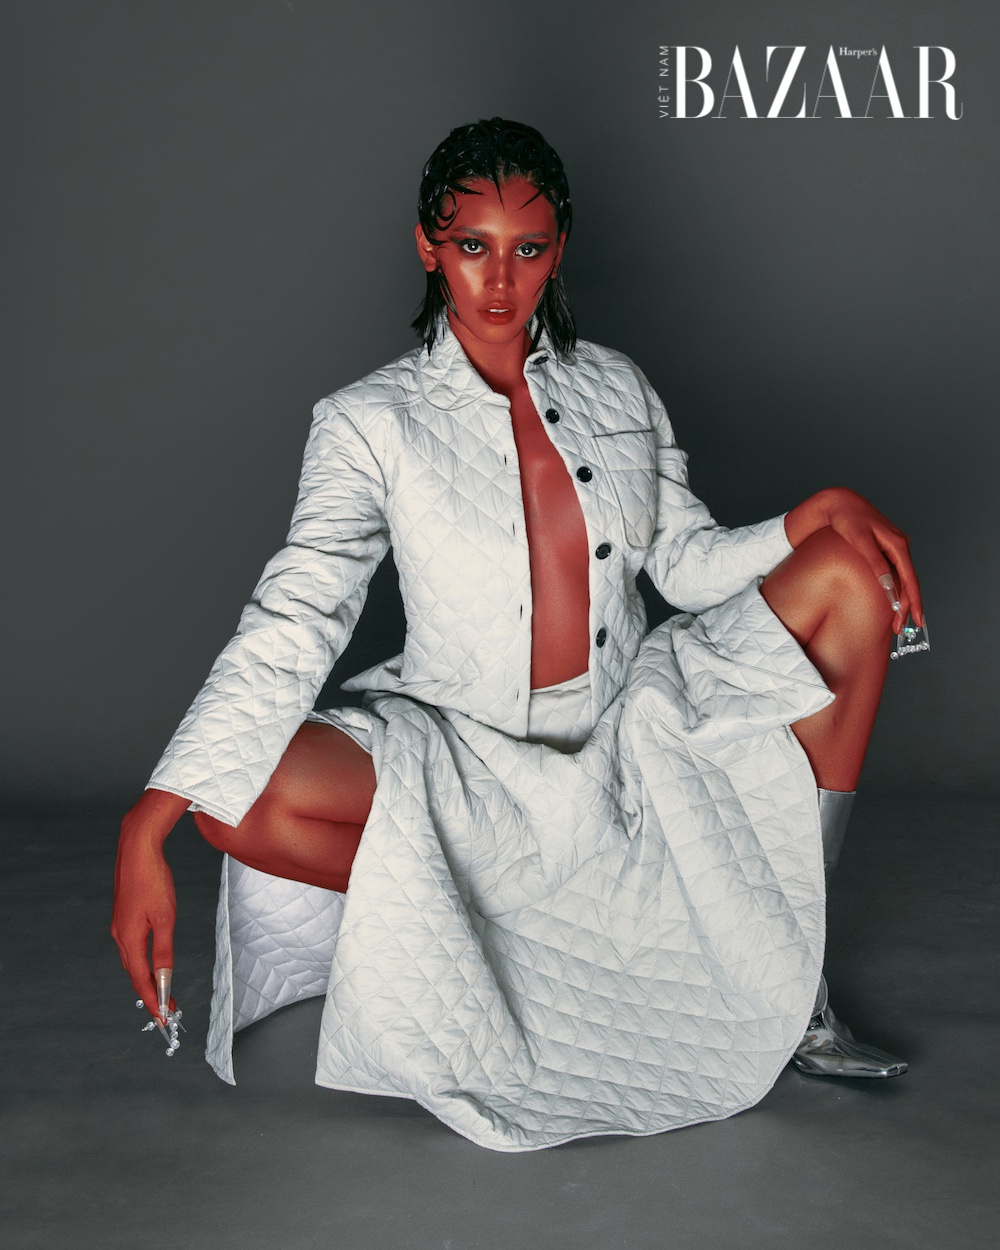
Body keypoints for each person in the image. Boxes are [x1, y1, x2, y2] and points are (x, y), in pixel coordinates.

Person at [112, 118, 924, 1151]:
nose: (499, 280)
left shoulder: (617, 387)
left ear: (558, 249)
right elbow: (298, 610)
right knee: (235, 800)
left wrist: (802, 522)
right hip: (465, 758)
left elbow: (681, 563)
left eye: (527, 248)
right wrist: (148, 820)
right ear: (427, 246)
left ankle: (793, 972)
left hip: (627, 740)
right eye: (471, 245)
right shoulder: (370, 420)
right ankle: (514, 922)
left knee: (849, 571)